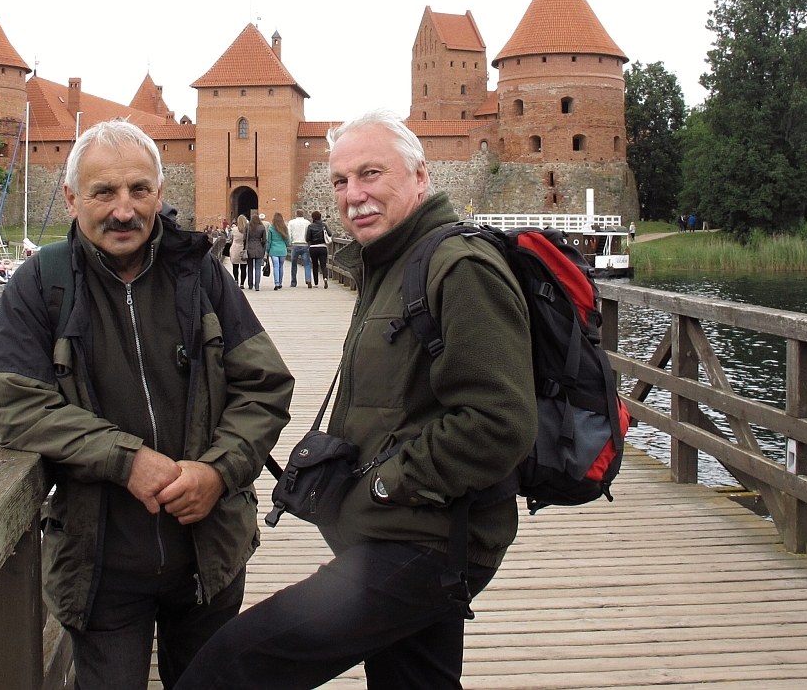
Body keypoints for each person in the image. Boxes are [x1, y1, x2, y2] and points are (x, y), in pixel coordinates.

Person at [175, 109, 537, 690]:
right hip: (408, 531)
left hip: (426, 539)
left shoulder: (460, 267)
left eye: (371, 174)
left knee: (231, 666)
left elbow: (500, 420)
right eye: (341, 180)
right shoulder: (393, 262)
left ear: (420, 175)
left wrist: (386, 485)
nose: (352, 194)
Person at [0, 120, 294, 690]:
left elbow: (264, 384)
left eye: (138, 190)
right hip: (101, 568)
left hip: (208, 556)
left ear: (159, 191)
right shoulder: (41, 283)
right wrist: (125, 460)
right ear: (72, 198)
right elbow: (12, 402)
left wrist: (218, 471)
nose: (123, 210)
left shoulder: (196, 272)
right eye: (103, 192)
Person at [306, 210, 332, 289]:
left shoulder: (310, 226)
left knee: (315, 265)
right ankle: (325, 278)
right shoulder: (324, 225)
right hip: (322, 247)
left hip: (313, 247)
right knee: (323, 265)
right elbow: (330, 233)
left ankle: (316, 283)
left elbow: (307, 238)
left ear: (312, 217)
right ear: (320, 217)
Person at [286, 210, 312, 287]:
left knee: (294, 264)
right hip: (304, 244)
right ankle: (308, 279)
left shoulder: (291, 222)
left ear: (296, 214)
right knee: (307, 264)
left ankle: (293, 282)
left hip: (295, 244)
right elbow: (309, 234)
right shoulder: (307, 222)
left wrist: (290, 242)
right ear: (303, 214)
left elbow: (289, 233)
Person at [244, 212, 268, 291]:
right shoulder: (261, 227)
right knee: (258, 268)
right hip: (258, 248)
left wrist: (245, 247)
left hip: (249, 248)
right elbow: (264, 240)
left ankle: (250, 284)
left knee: (250, 267)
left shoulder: (247, 226)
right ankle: (257, 285)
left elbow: (244, 238)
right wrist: (262, 246)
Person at [267, 213, 289, 290]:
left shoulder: (271, 228)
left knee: (275, 266)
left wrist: (268, 249)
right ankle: (280, 282)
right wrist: (285, 245)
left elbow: (269, 241)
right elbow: (288, 239)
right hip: (282, 249)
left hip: (274, 249)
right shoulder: (284, 228)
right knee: (281, 266)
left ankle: (276, 283)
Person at [229, 214, 249, 288]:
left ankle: (236, 280)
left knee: (235, 266)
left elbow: (231, 239)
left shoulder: (234, 229)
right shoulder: (247, 230)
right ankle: (242, 283)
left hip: (235, 249)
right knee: (243, 268)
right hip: (243, 249)